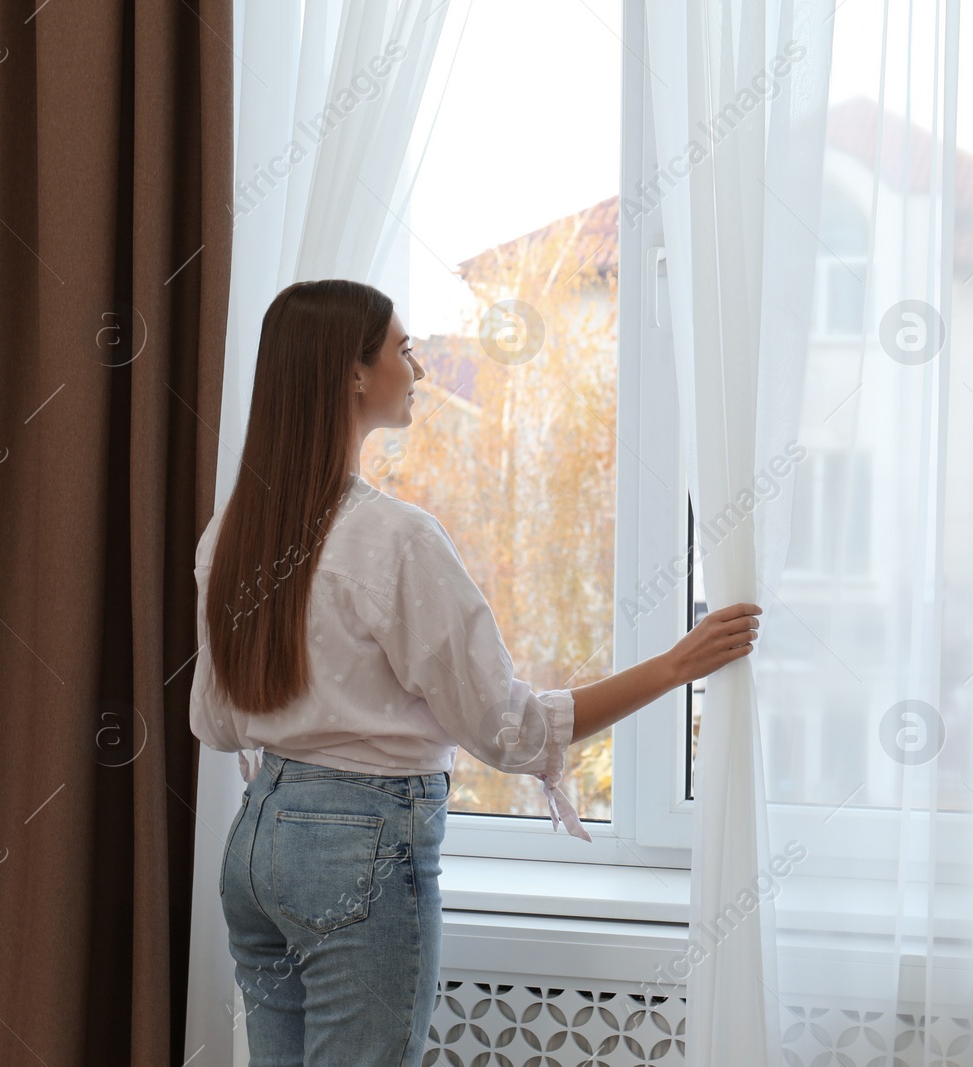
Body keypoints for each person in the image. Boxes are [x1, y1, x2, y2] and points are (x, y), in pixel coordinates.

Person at [189, 279, 759, 1066]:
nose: (418, 370)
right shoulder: (398, 540)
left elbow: (215, 722)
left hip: (256, 846)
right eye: (403, 349)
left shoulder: (232, 533)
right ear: (353, 374)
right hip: (359, 849)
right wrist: (673, 666)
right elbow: (512, 731)